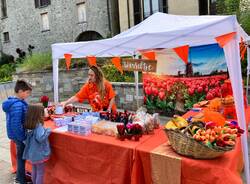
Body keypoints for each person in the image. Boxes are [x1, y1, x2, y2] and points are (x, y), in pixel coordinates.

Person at [2, 79, 32, 184]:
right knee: (21, 158)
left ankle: (20, 178)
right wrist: (23, 137)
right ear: (20, 91)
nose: (28, 95)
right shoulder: (17, 105)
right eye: (27, 92)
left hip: (15, 135)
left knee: (20, 157)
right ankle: (21, 180)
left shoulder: (16, 102)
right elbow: (16, 124)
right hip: (19, 135)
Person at [22, 104, 51, 184]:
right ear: (38, 114)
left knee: (34, 170)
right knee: (40, 173)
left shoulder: (28, 124)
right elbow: (40, 138)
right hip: (39, 154)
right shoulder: (38, 126)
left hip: (32, 153)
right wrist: (48, 130)